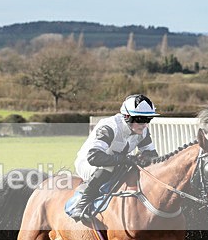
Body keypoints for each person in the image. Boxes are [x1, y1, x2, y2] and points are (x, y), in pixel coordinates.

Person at [68, 94, 160, 222]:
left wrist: (144, 159)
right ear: (127, 117)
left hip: (116, 164)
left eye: (148, 119)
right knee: (109, 167)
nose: (144, 124)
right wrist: (127, 159)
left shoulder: (143, 130)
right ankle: (82, 204)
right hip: (90, 164)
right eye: (140, 119)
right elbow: (94, 157)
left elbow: (153, 156)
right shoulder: (110, 127)